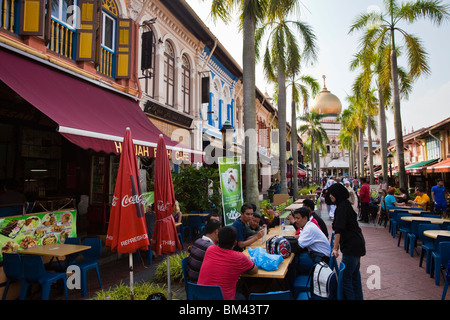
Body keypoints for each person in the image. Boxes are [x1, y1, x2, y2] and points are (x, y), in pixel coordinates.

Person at [197, 226, 258, 300]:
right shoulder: (239, 257)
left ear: (218, 239)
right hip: (222, 298)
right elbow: (254, 270)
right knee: (242, 296)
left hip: (199, 295)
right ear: (235, 243)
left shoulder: (210, 249)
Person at [328, 183, 366, 300]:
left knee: (346, 279)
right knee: (354, 276)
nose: (330, 196)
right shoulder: (345, 205)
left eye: (332, 193)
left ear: (337, 194)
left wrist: (335, 249)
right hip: (357, 243)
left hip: (351, 245)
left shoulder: (342, 208)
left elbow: (339, 229)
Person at [186, 219, 221, 283]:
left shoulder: (198, 241)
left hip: (191, 283)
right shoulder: (211, 248)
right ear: (216, 231)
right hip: (200, 284)